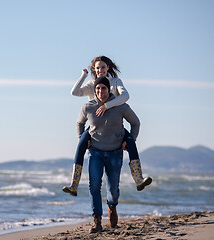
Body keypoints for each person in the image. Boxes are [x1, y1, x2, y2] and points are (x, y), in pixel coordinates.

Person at [63, 56, 152, 196]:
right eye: (97, 68)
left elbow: (125, 96)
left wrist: (107, 105)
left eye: (103, 67)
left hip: (114, 125)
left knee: (131, 142)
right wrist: (83, 75)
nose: (100, 70)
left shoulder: (116, 82)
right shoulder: (92, 84)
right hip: (95, 127)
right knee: (80, 144)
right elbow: (74, 92)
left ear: (108, 68)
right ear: (94, 69)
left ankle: (139, 180)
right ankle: (74, 185)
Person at [77, 76, 140, 232]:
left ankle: (112, 207)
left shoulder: (121, 106)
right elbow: (79, 123)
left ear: (109, 89)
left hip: (114, 152)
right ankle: (96, 220)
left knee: (112, 190)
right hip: (95, 152)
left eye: (103, 88)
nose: (100, 91)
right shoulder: (88, 107)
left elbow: (136, 122)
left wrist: (130, 141)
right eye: (97, 88)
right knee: (94, 186)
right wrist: (84, 141)